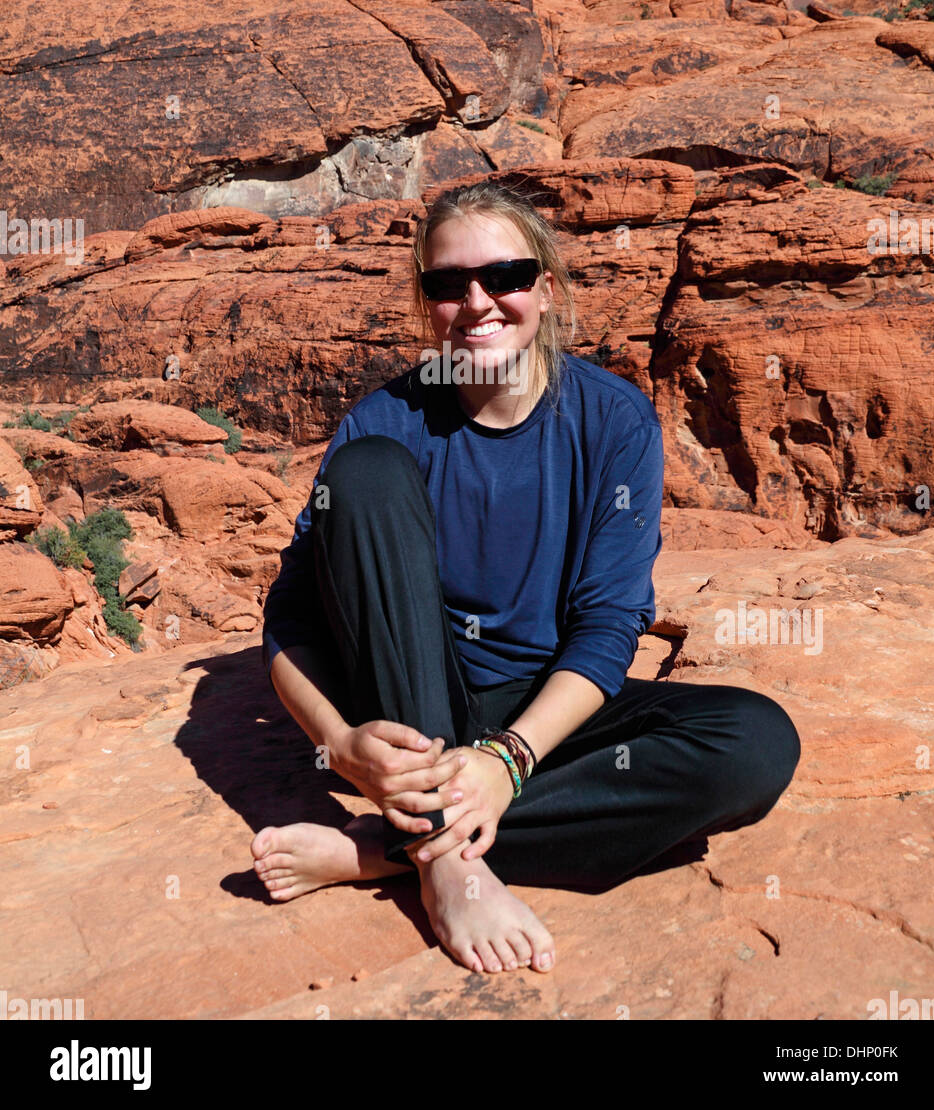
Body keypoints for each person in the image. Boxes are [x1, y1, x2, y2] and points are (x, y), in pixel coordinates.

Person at [251, 180, 801, 976]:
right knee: (369, 476)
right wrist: (340, 746)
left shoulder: (612, 421)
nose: (477, 303)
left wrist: (507, 762)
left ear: (544, 288)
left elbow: (610, 624)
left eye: (503, 277)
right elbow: (290, 620)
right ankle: (447, 863)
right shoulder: (382, 424)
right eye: (448, 284)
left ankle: (391, 847)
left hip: (536, 712)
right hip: (407, 696)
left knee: (753, 744)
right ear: (427, 302)